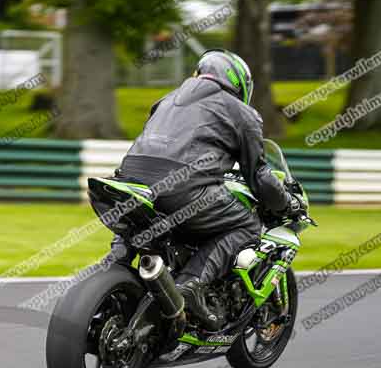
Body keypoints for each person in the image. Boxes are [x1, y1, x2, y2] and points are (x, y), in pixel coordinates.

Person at [114, 49, 305, 331]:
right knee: (247, 224)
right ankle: (192, 283)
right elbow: (259, 176)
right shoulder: (242, 113)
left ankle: (113, 267)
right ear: (240, 83)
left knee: (136, 233)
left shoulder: (166, 101)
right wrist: (287, 203)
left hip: (128, 180)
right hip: (180, 189)